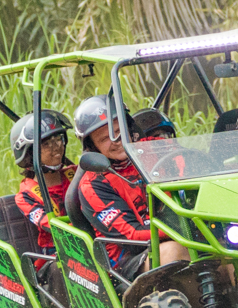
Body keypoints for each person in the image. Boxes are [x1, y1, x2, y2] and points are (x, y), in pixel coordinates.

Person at [69, 95, 190, 277]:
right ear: (93, 147)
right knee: (175, 251)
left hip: (177, 232)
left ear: (130, 127)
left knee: (227, 249)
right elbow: (131, 235)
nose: (116, 140)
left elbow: (188, 161)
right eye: (105, 139)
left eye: (118, 130)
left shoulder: (153, 149)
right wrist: (182, 228)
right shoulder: (93, 184)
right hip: (129, 259)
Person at [11, 108, 72, 261]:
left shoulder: (75, 174)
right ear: (30, 153)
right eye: (46, 143)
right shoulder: (26, 195)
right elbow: (52, 226)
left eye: (58, 138)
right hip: (56, 256)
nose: (56, 146)